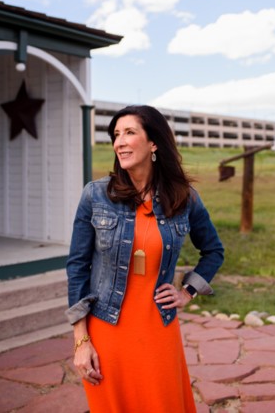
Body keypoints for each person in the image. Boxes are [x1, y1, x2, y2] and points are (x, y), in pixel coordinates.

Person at [66, 105, 224, 412]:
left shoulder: (185, 197)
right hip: (107, 328)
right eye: (115, 135)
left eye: (129, 133)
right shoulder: (95, 195)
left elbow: (213, 251)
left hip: (157, 327)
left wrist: (186, 292)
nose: (119, 142)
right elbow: (77, 267)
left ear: (153, 143)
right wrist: (80, 341)